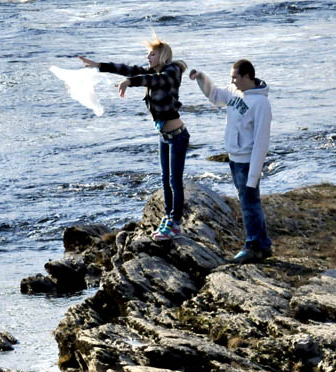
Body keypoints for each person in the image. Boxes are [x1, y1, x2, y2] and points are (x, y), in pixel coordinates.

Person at [79, 39, 189, 241]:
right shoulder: (152, 72)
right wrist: (98, 66)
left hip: (178, 137)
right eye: (148, 54)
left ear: (162, 56)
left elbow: (153, 80)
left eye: (152, 54)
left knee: (175, 181)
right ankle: (167, 218)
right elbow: (127, 69)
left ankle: (175, 223)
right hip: (164, 137)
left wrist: (130, 82)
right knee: (165, 180)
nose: (148, 57)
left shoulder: (172, 72)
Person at [189, 59, 273, 263]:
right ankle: (263, 245)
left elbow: (262, 142)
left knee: (249, 204)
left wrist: (254, 174)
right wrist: (201, 77)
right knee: (250, 202)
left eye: (235, 77)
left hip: (247, 162)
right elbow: (215, 95)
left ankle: (252, 245)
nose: (232, 81)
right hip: (234, 159)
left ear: (247, 76)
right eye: (231, 78)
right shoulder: (235, 93)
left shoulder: (261, 103)